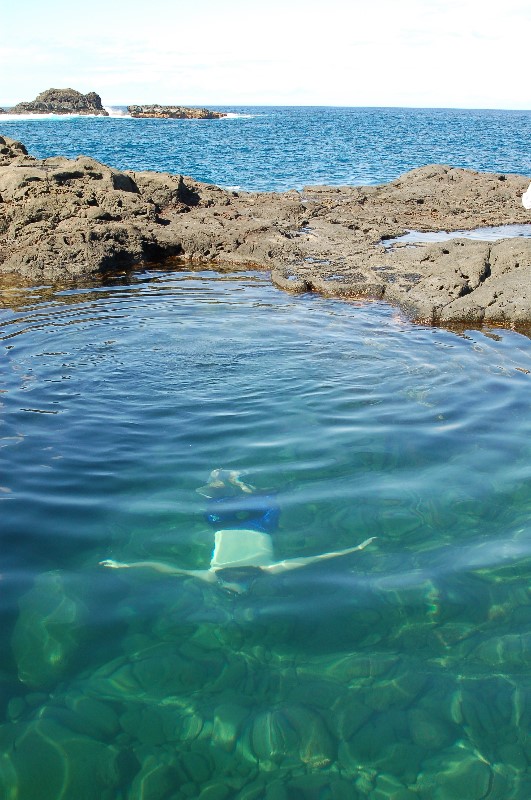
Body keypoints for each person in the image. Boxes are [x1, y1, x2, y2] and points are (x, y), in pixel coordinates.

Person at [100, 469, 375, 594]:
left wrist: (126, 565)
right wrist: (355, 549)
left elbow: (161, 567)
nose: (239, 585)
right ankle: (237, 483)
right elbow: (315, 559)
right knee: (254, 501)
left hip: (244, 528)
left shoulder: (219, 574)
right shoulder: (261, 571)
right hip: (251, 528)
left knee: (224, 500)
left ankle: (223, 479)